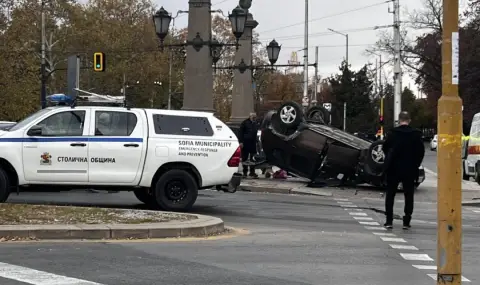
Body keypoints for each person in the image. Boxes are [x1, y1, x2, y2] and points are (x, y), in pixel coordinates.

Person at [382, 111, 425, 230]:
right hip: (409, 168)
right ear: (409, 120)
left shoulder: (392, 133)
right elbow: (421, 152)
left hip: (393, 168)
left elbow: (385, 148)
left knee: (390, 194)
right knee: (408, 195)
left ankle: (389, 220)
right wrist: (415, 164)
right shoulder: (416, 134)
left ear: (399, 120)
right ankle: (406, 221)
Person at [238, 112, 259, 178]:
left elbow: (255, 133)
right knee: (245, 158)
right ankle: (245, 172)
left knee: (253, 158)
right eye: (253, 117)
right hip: (245, 142)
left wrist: (257, 141)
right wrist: (241, 142)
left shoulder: (255, 123)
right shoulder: (245, 123)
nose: (254, 118)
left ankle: (252, 172)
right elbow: (240, 132)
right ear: (250, 116)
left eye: (255, 117)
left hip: (252, 143)